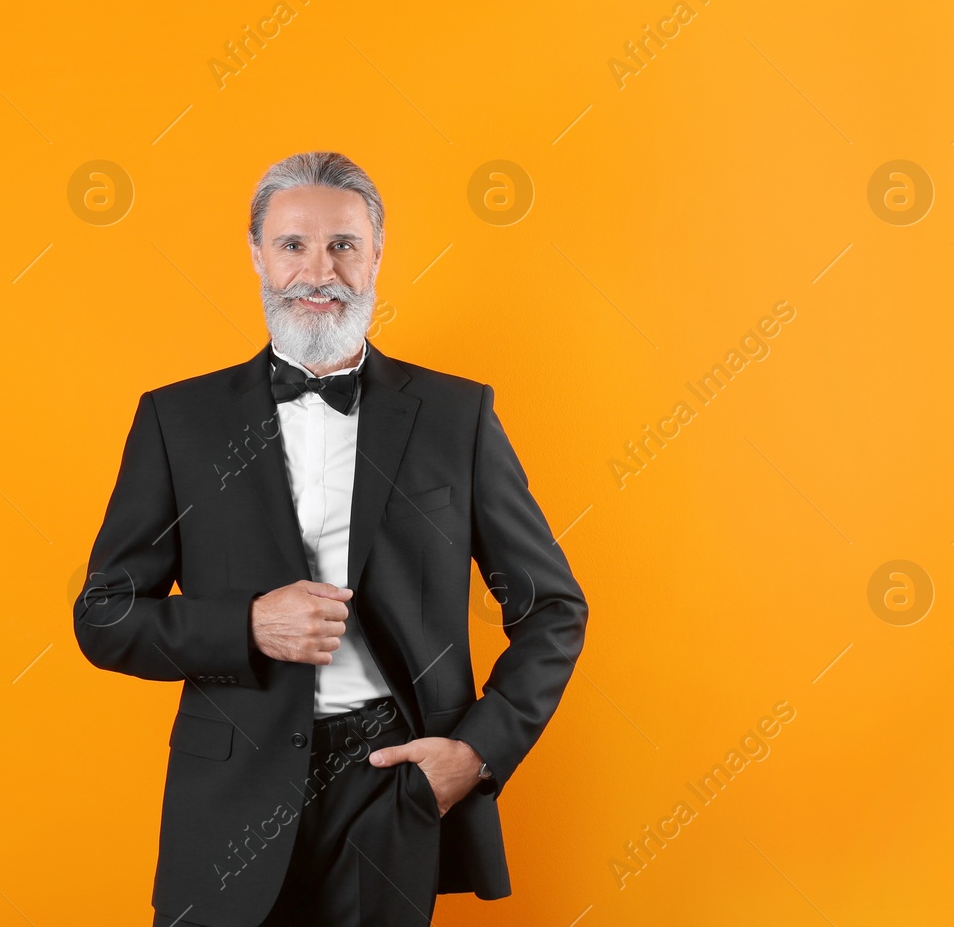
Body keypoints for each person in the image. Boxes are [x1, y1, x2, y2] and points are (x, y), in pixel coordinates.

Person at [74, 151, 589, 927]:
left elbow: (552, 607)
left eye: (344, 244)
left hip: (392, 785)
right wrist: (247, 624)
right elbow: (104, 615)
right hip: (228, 799)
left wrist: (474, 754)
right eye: (293, 245)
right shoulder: (177, 420)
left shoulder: (458, 416)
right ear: (256, 255)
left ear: (377, 254)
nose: (320, 269)